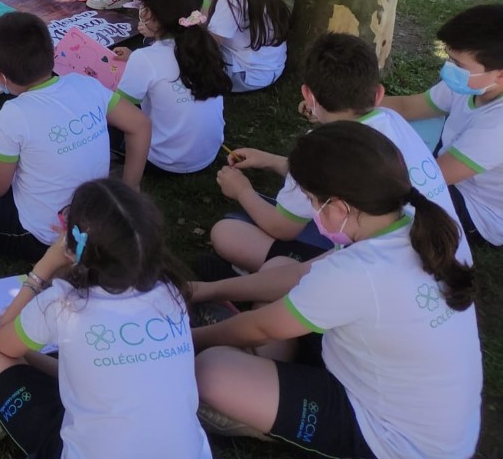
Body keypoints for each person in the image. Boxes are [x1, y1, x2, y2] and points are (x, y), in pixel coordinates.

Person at [191, 122, 480, 458]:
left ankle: (265, 414)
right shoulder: (409, 223)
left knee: (211, 371)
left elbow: (262, 328)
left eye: (311, 201)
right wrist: (206, 290)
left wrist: (189, 339)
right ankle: (261, 376)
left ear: (340, 208)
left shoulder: (357, 273)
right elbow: (296, 275)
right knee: (279, 267)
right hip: (425, 417)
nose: (311, 212)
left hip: (391, 441)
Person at [0, 178, 212, 459]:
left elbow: (2, 340)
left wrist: (43, 268)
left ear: (73, 245)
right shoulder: (170, 293)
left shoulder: (63, 304)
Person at [210, 32, 471, 274]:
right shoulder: (391, 120)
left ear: (307, 95)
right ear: (379, 94)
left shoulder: (320, 152)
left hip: (376, 270)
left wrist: (242, 190)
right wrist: (271, 161)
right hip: (446, 259)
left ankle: (281, 272)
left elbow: (282, 227)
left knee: (227, 231)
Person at [0, 11, 151, 259]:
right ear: (52, 52)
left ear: (0, 76)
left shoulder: (15, 113)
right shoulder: (85, 85)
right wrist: (129, 189)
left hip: (40, 237)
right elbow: (140, 125)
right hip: (95, 216)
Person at [383, 4, 503, 246]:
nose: (448, 68)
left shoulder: (497, 125)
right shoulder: (472, 84)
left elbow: (428, 180)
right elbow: (408, 107)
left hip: (477, 210)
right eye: (449, 57)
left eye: (458, 64)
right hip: (447, 174)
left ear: (499, 75)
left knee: (378, 202)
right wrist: (345, 105)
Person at [111, 0, 228, 173]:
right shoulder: (206, 45)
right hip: (208, 153)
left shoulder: (145, 59)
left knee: (105, 116)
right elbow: (166, 67)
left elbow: (119, 110)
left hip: (164, 161)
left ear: (148, 12)